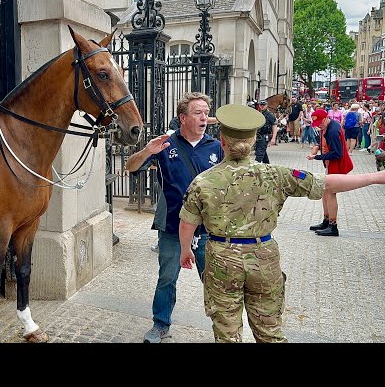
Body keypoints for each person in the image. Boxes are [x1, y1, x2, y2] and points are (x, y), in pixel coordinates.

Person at [178, 103, 385, 343]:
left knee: (226, 332)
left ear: (222, 141)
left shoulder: (203, 181)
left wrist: (186, 251)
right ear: (254, 141)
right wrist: (375, 177)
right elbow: (327, 183)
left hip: (222, 256)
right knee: (270, 332)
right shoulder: (276, 174)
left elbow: (187, 223)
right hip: (263, 256)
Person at [126, 92, 224, 343]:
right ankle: (160, 324)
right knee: (166, 277)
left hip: (208, 230)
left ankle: (224, 328)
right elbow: (131, 167)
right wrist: (147, 150)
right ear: (183, 118)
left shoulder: (216, 147)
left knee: (213, 281)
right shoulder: (165, 145)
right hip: (172, 227)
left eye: (206, 112)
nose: (204, 117)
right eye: (197, 113)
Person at [306, 108, 353, 237]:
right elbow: (324, 143)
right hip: (331, 164)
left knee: (330, 192)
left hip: (337, 165)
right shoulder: (327, 126)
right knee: (325, 191)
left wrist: (316, 157)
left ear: (327, 118)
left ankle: (333, 226)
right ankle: (326, 221)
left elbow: (337, 153)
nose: (319, 125)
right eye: (317, 124)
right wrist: (317, 147)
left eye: (321, 122)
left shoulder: (332, 131)